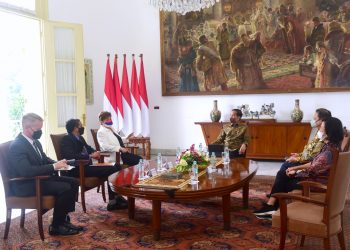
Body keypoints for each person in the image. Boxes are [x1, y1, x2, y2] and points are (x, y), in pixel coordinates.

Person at [254, 117, 344, 219]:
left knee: (283, 180)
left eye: (321, 129)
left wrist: (296, 173)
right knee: (284, 174)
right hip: (319, 179)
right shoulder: (332, 147)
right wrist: (296, 169)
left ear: (329, 132)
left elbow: (313, 169)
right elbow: (314, 163)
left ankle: (270, 207)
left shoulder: (328, 152)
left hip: (315, 185)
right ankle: (271, 207)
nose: (319, 130)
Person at [8, 113, 82, 236]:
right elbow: (26, 171)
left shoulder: (35, 142)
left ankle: (62, 219)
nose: (40, 132)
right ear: (27, 128)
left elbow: (44, 159)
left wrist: (58, 163)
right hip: (26, 184)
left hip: (38, 180)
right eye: (38, 129)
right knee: (65, 188)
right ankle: (56, 226)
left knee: (74, 182)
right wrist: (54, 167)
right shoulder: (18, 146)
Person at [60, 118, 127, 211]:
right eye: (80, 125)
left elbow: (88, 148)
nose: (82, 127)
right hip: (76, 169)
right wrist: (90, 156)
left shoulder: (80, 137)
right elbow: (70, 156)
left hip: (85, 166)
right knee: (111, 169)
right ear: (75, 128)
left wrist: (96, 152)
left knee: (116, 166)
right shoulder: (66, 139)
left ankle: (117, 197)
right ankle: (112, 202)